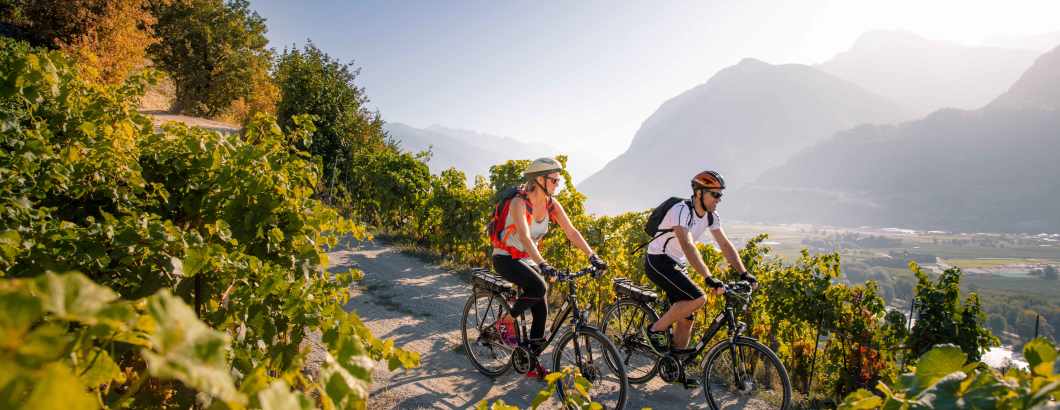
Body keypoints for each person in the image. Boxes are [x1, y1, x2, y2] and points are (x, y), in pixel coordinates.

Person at [491, 157, 607, 378]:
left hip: (527, 259)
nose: (557, 184)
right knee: (539, 288)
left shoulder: (551, 204)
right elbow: (524, 237)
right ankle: (504, 323)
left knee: (541, 309)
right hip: (505, 257)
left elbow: (571, 232)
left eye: (558, 180)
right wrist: (543, 264)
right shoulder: (519, 202)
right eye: (554, 180)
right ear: (540, 179)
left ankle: (529, 361)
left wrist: (593, 256)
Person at [642, 170, 756, 356]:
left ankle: (674, 365)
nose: (719, 199)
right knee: (699, 298)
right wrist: (708, 277)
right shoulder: (681, 210)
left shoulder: (712, 216)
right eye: (715, 194)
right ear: (699, 193)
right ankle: (654, 330)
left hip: (676, 264)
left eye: (721, 195)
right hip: (658, 260)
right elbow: (687, 245)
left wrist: (744, 273)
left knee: (687, 319)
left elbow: (725, 245)